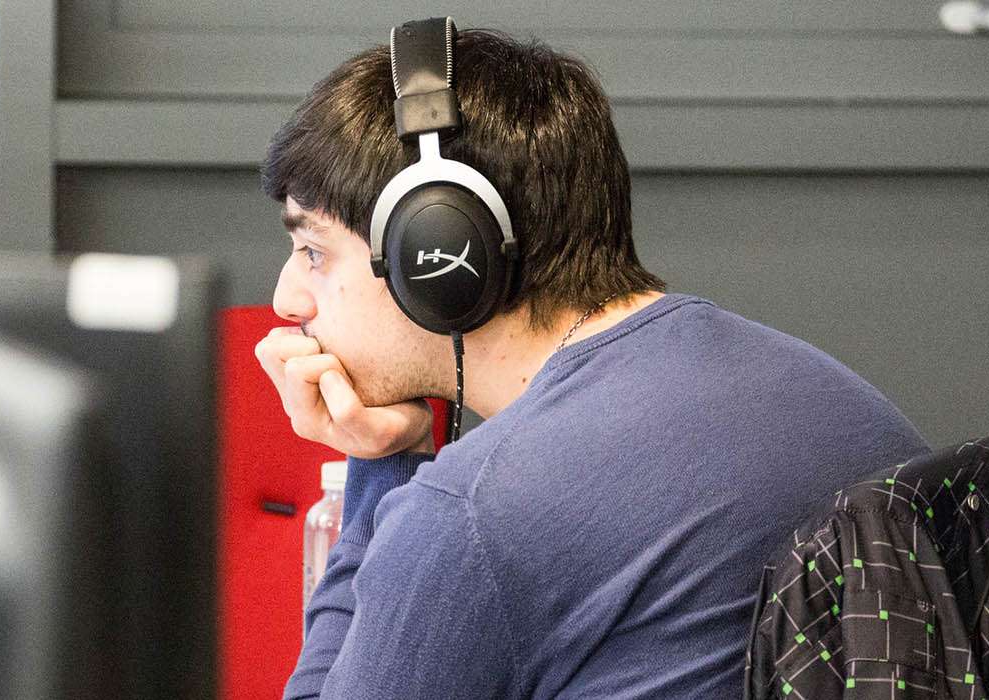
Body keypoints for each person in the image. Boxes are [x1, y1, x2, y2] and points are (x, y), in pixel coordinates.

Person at [254, 21, 932, 698]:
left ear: (436, 251)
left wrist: (379, 465)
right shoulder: (833, 398)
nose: (287, 299)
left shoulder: (477, 516)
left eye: (313, 252)